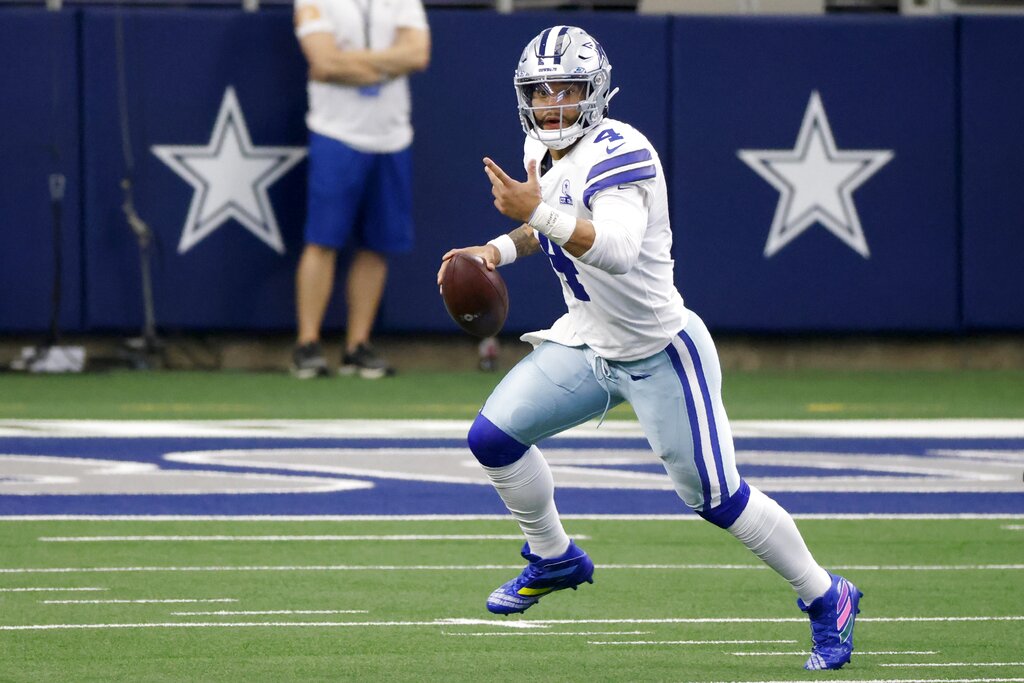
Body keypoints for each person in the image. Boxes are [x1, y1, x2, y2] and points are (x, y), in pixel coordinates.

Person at [436, 26, 861, 671]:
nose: (552, 107)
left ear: (596, 93)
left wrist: (537, 213)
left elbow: (614, 249)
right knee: (493, 440)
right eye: (540, 94)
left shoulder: (621, 149)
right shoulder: (540, 148)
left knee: (718, 500)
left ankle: (827, 595)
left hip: (660, 349)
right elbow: (545, 223)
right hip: (586, 340)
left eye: (568, 91)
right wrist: (490, 251)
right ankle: (554, 556)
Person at [291, 0, 430, 379]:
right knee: (322, 240)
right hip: (336, 132)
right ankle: (308, 342)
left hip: (391, 136)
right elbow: (324, 62)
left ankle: (358, 344)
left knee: (378, 245)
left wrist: (357, 63)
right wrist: (388, 63)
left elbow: (418, 54)